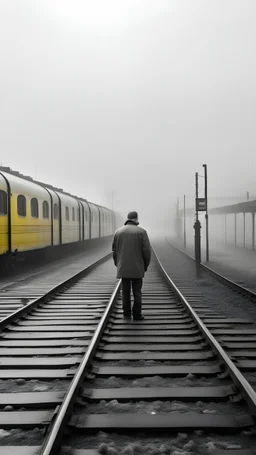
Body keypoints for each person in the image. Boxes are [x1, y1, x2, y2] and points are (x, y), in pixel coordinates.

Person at [112, 211, 151, 320]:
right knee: (137, 292)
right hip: (138, 268)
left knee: (125, 291)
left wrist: (118, 264)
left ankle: (126, 313)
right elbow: (147, 251)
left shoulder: (118, 232)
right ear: (136, 219)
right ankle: (137, 314)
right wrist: (145, 265)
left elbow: (114, 251)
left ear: (128, 218)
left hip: (123, 267)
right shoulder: (142, 232)